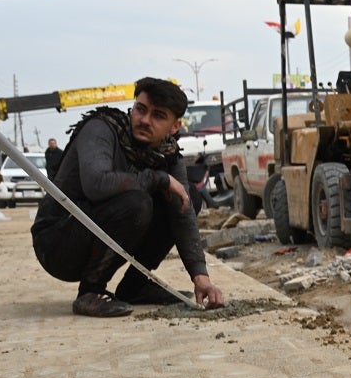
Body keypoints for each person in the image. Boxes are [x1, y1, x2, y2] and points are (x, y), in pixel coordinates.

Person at [30, 77, 224, 317]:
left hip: (98, 233)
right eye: (141, 109)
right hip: (57, 243)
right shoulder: (102, 128)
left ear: (174, 127)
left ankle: (135, 287)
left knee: (187, 198)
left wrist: (201, 278)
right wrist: (158, 179)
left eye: (158, 116)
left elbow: (182, 214)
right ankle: (90, 292)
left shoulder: (168, 154)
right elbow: (96, 185)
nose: (144, 120)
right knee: (137, 202)